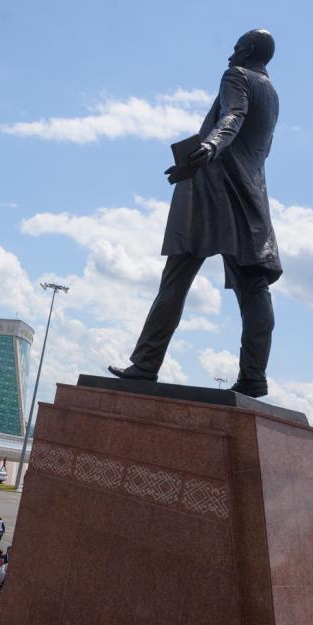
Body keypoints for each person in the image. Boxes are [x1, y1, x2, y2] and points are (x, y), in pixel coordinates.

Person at [108, 29, 280, 398]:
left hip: (214, 190)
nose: (230, 52)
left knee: (176, 279)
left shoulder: (236, 76)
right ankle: (254, 376)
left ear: (248, 49)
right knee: (255, 288)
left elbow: (233, 115)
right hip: (251, 198)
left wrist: (208, 147)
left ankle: (145, 365)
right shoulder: (273, 93)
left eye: (236, 46)